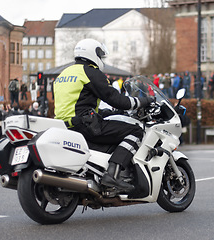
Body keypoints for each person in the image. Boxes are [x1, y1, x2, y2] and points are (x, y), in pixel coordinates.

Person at [53, 39, 154, 192]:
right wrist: (143, 101)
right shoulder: (91, 72)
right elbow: (116, 99)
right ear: (93, 53)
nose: (102, 59)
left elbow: (76, 103)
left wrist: (105, 113)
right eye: (100, 55)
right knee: (136, 131)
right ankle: (112, 175)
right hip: (85, 125)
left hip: (64, 126)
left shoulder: (64, 73)